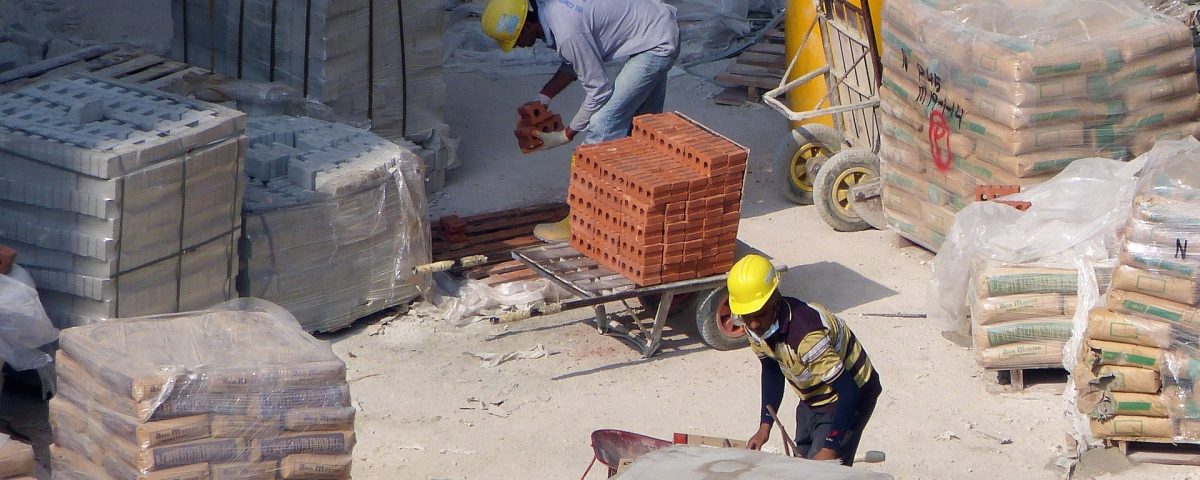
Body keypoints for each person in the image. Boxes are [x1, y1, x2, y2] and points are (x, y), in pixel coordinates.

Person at [481, 0, 680, 241]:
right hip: (656, 27)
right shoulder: (553, 12)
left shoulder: (566, 32)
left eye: (516, 40)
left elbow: (599, 89)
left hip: (654, 44)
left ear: (526, 26)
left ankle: (581, 221)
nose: (518, 47)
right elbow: (574, 62)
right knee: (642, 127)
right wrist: (543, 98)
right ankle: (643, 210)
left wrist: (567, 133)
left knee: (603, 126)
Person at [726, 254, 883, 466]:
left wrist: (831, 447)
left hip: (850, 394)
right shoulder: (757, 328)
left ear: (774, 300)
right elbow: (772, 370)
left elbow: (849, 391)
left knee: (825, 470)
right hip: (813, 397)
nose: (753, 324)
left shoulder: (807, 337)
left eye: (760, 315)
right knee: (802, 463)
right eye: (746, 316)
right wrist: (765, 425)